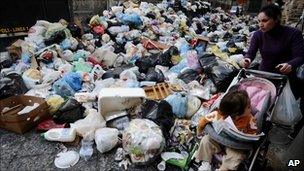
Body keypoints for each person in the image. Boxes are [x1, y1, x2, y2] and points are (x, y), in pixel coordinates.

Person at [239, 4, 304, 139]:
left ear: (276, 19)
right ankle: (251, 129)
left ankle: (271, 130)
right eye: (259, 21)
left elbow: (300, 56)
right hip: (264, 75)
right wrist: (246, 60)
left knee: (275, 109)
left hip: (285, 77)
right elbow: (250, 53)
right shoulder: (258, 35)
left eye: (265, 20)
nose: (261, 24)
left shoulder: (293, 34)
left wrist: (290, 64)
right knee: (258, 104)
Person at [195, 90, 257, 170]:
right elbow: (203, 121)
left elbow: (253, 132)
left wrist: (250, 135)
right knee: (205, 140)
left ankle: (222, 169)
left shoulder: (249, 119)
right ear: (237, 113)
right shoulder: (219, 114)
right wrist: (199, 132)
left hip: (235, 146)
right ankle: (205, 163)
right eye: (248, 107)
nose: (251, 107)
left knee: (236, 157)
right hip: (219, 139)